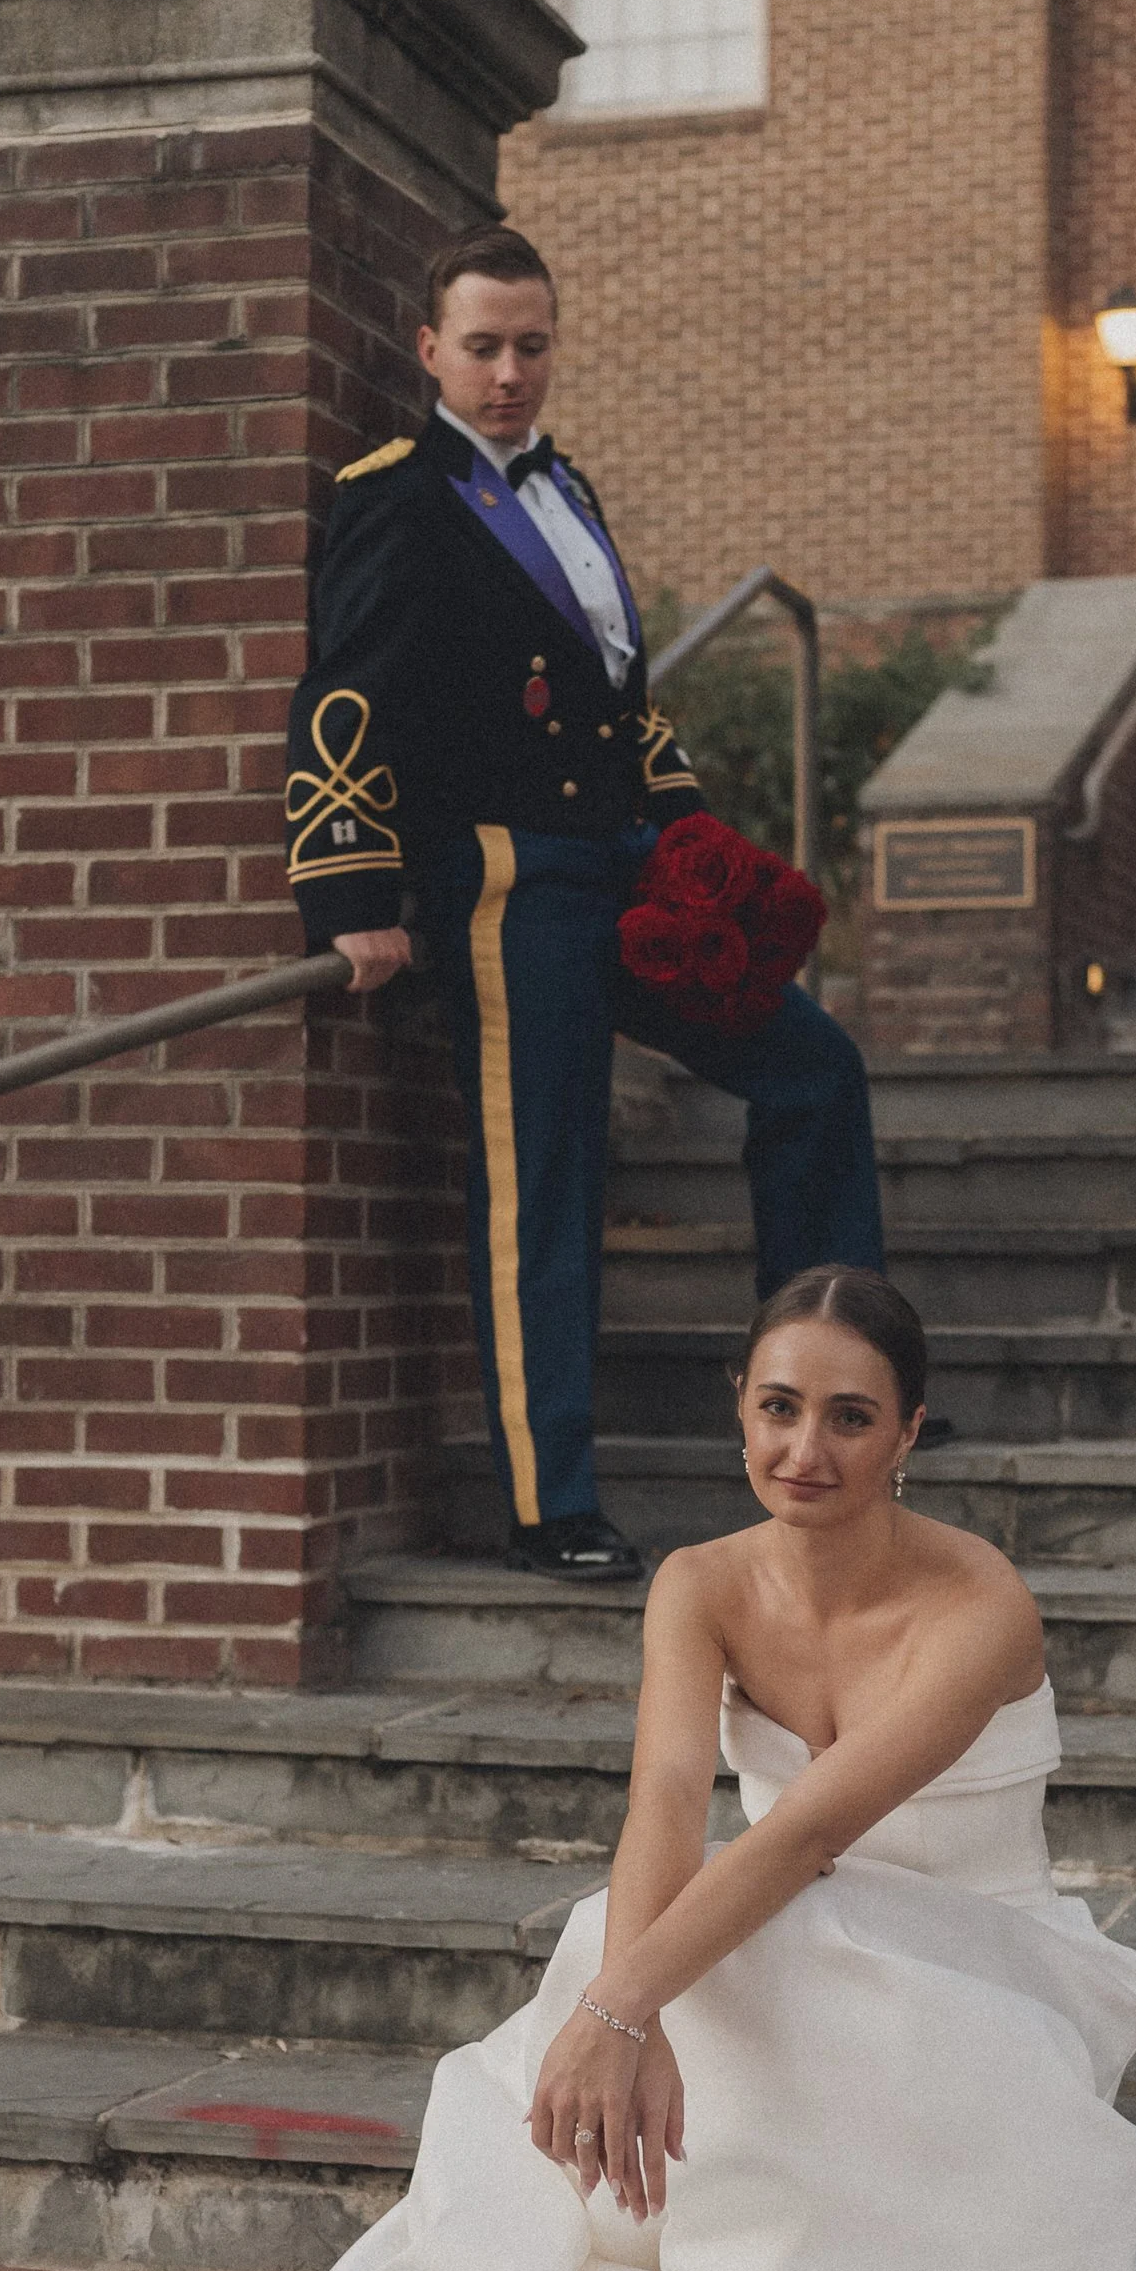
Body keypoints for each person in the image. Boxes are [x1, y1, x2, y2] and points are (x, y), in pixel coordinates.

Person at [205, 1264, 1136, 2271]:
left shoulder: (982, 1601)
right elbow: (672, 1792)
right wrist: (631, 1994)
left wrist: (621, 2012)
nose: (807, 1449)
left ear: (910, 1431)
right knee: (635, 1928)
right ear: (737, 1409)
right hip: (788, 1929)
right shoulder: (701, 1581)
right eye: (780, 1407)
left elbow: (808, 1832)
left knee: (744, 1936)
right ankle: (642, 2266)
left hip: (979, 1968)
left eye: (850, 1417)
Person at [285, 224, 886, 1583]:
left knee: (815, 1069)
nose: (510, 372)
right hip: (505, 881)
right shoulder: (396, 494)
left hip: (623, 872)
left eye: (532, 345)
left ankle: (845, 1394)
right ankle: (553, 1501)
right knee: (544, 1185)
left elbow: (624, 701)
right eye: (484, 346)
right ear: (430, 349)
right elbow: (344, 695)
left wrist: (694, 843)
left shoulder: (572, 488)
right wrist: (352, 886)